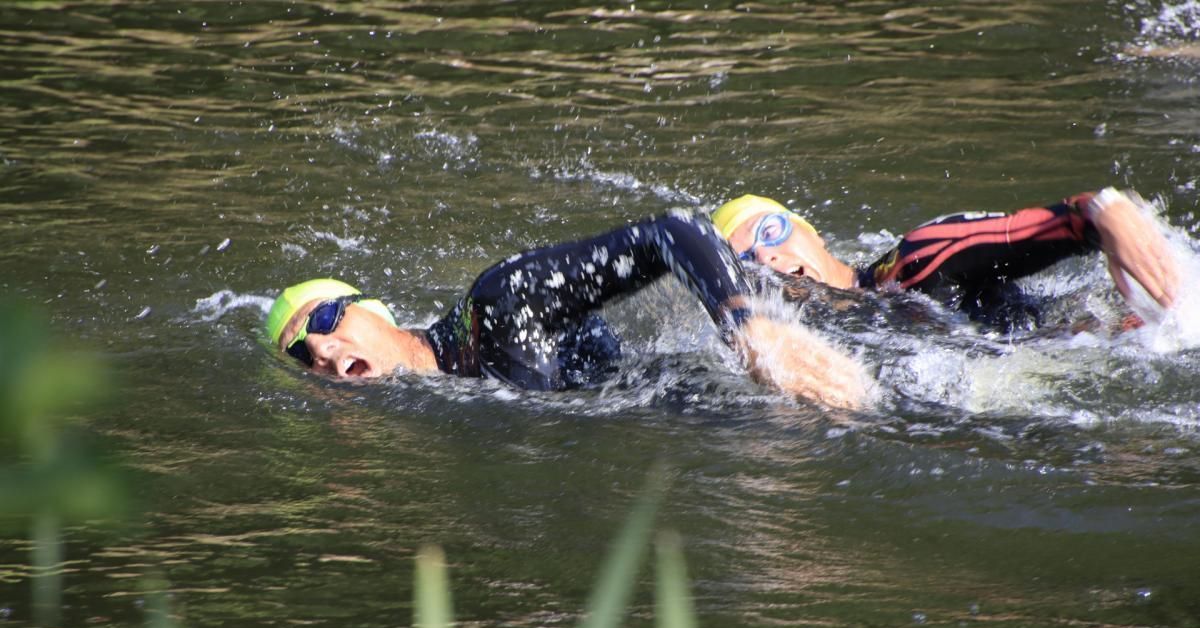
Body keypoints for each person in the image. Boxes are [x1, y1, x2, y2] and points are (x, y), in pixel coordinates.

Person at [265, 209, 872, 408]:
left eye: (324, 319)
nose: (319, 349)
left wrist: (757, 331)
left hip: (803, 394)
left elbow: (673, 230)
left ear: (372, 310)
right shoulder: (453, 398)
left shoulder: (501, 304)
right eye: (301, 354)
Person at [711, 188, 1180, 331]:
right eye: (748, 260)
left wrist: (1107, 214)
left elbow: (1029, 228)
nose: (768, 256)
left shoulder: (915, 265)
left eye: (770, 232)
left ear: (811, 230)